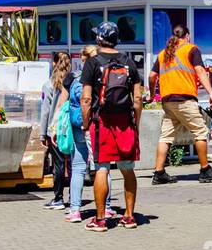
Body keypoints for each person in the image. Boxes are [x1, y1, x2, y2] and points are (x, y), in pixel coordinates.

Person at [80, 22, 143, 232]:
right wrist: (137, 123)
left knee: (102, 168)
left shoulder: (92, 63)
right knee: (127, 169)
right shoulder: (129, 63)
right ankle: (129, 216)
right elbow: (138, 100)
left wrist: (86, 122)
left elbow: (86, 99)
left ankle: (99, 220)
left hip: (102, 123)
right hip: (125, 123)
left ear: (99, 39)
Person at [147, 25, 212, 185]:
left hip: (168, 102)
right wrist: (211, 92)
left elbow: (152, 75)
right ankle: (205, 170)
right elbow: (200, 71)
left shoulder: (163, 54)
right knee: (200, 132)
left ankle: (159, 173)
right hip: (184, 100)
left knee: (166, 136)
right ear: (187, 36)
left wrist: (151, 92)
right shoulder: (191, 49)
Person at [63, 45, 97, 223]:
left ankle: (75, 210)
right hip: (95, 126)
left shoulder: (76, 79)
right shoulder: (99, 79)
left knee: (77, 167)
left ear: (82, 60)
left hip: (78, 125)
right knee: (101, 167)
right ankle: (105, 208)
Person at [39, 52, 75, 210]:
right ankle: (74, 198)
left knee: (58, 165)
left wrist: (43, 133)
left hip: (55, 129)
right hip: (72, 127)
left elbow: (46, 111)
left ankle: (58, 198)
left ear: (54, 63)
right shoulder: (74, 82)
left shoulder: (49, 85)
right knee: (74, 164)